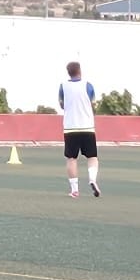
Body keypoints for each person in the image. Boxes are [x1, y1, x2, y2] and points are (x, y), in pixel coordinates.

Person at [58, 60, 100, 199]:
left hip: (70, 127)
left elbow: (62, 104)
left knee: (71, 158)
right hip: (87, 126)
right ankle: (92, 179)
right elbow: (94, 104)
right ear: (80, 71)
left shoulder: (63, 86)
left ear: (68, 72)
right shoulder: (88, 85)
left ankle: (75, 190)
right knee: (92, 157)